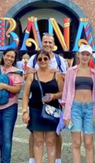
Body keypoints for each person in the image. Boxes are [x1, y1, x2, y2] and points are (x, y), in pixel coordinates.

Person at [26, 33, 67, 163]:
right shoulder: (33, 58)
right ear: (41, 43)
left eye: (50, 42)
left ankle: (57, 159)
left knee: (54, 137)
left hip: (54, 106)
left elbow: (66, 82)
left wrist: (58, 74)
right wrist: (29, 73)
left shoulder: (60, 60)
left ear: (54, 44)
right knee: (35, 136)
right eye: (45, 42)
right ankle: (33, 159)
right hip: (36, 105)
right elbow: (26, 79)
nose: (43, 61)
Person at [61, 44, 95, 163]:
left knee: (89, 142)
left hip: (90, 109)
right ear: (78, 55)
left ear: (91, 57)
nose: (85, 57)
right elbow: (66, 93)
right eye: (83, 54)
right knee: (76, 142)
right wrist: (66, 114)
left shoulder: (94, 73)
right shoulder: (71, 71)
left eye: (87, 54)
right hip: (75, 108)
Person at [0, 48, 23, 163]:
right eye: (7, 56)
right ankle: (3, 159)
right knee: (0, 136)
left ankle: (5, 161)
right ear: (3, 56)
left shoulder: (16, 72)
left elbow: (18, 90)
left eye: (12, 57)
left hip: (10, 107)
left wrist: (4, 86)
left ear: (14, 59)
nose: (9, 58)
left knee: (7, 137)